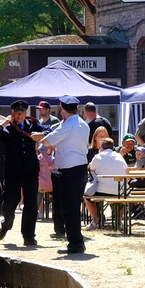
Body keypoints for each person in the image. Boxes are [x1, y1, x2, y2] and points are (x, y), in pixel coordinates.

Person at [39, 96, 92, 255]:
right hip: (80, 168)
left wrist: (39, 137)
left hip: (69, 171)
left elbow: (46, 142)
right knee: (72, 208)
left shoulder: (67, 126)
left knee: (68, 209)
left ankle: (75, 243)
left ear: (62, 110)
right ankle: (76, 242)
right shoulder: (83, 124)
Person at [0, 100, 41, 247]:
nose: (20, 115)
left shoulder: (32, 125)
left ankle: (28, 236)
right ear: (12, 113)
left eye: (22, 113)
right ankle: (6, 225)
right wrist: (2, 124)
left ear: (26, 113)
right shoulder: (6, 129)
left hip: (30, 171)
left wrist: (42, 134)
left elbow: (49, 130)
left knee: (31, 204)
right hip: (13, 172)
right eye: (17, 113)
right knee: (9, 203)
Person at [87, 137, 130, 229]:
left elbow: (91, 169)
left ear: (101, 148)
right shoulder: (119, 156)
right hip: (120, 190)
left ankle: (96, 220)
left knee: (87, 198)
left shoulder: (98, 157)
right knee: (122, 197)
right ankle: (119, 221)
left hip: (102, 190)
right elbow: (127, 171)